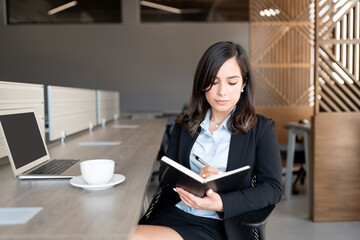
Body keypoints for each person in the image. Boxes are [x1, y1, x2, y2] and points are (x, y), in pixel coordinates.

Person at [132, 41, 282, 240]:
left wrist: (220, 199)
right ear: (203, 84)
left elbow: (272, 189)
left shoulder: (261, 128)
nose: (222, 92)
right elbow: (166, 176)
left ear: (244, 84)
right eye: (214, 81)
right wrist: (196, 181)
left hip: (220, 224)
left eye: (232, 82)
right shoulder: (185, 125)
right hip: (174, 213)